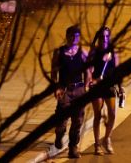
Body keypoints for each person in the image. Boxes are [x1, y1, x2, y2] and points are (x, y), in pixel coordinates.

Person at [50, 25, 88, 158]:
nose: (74, 38)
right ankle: (59, 135)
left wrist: (87, 87)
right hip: (64, 90)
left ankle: (73, 147)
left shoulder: (82, 52)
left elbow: (87, 71)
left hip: (79, 89)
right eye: (71, 35)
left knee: (77, 120)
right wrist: (56, 87)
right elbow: (54, 72)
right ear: (66, 36)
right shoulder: (59, 52)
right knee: (62, 119)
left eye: (76, 36)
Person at [88, 26, 121, 155]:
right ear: (98, 38)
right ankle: (97, 144)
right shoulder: (94, 52)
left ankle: (107, 138)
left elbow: (117, 70)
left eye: (107, 36)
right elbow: (89, 68)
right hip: (97, 87)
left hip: (109, 86)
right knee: (97, 114)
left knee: (112, 113)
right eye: (102, 37)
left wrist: (120, 86)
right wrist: (90, 80)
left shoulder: (113, 52)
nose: (105, 39)